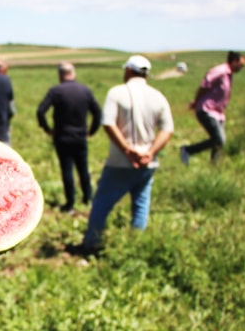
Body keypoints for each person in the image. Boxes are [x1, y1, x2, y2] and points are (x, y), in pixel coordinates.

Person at [67, 55, 174, 256]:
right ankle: (135, 249)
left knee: (101, 204)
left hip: (119, 163)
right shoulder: (158, 96)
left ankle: (91, 244)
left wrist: (127, 150)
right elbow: (167, 129)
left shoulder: (116, 93)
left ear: (128, 71)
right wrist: (150, 152)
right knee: (141, 205)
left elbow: (108, 123)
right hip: (147, 163)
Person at [36, 61, 102, 214]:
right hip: (80, 136)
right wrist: (92, 130)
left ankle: (70, 203)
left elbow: (40, 111)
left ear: (60, 75)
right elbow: (97, 113)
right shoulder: (85, 90)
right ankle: (88, 198)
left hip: (62, 136)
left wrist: (47, 129)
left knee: (67, 170)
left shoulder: (56, 91)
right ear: (74, 73)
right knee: (83, 168)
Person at [179, 51, 244, 165]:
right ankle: (188, 150)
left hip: (218, 113)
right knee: (219, 139)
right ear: (234, 61)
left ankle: (214, 167)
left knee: (218, 141)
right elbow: (204, 85)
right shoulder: (220, 71)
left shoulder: (229, 74)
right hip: (206, 110)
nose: (241, 68)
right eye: (241, 65)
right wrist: (196, 101)